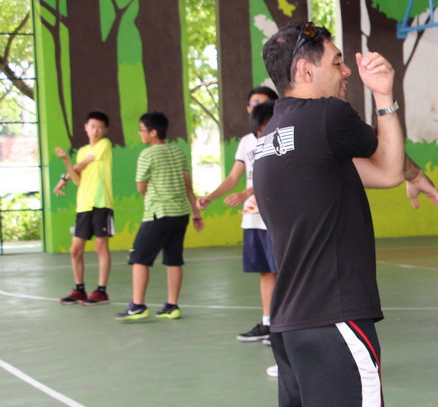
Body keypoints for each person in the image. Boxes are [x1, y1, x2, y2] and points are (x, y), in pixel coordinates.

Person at [253, 21, 438, 407]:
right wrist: (385, 95)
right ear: (305, 69)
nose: (345, 72)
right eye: (337, 61)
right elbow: (385, 162)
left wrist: (413, 173)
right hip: (337, 323)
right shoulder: (327, 118)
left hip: (291, 324)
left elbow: (382, 171)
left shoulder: (272, 136)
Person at [197, 86, 280, 343]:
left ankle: (284, 326)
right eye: (254, 103)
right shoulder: (247, 142)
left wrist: (247, 193)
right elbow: (234, 177)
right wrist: (211, 196)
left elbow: (279, 174)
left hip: (275, 215)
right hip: (253, 217)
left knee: (284, 271)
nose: (257, 108)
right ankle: (268, 323)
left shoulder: (282, 136)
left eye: (263, 103)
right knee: (266, 272)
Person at [115, 112, 204, 321]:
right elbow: (188, 186)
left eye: (142, 130)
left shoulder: (147, 154)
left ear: (153, 132)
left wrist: (153, 196)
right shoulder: (179, 152)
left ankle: (137, 306)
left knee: (139, 258)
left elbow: (141, 187)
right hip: (180, 214)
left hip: (158, 214)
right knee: (173, 260)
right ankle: (172, 306)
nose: (140, 133)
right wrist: (196, 213)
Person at [52, 111, 120, 306]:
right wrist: (66, 161)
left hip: (101, 203)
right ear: (86, 127)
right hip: (83, 205)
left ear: (106, 130)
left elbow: (83, 164)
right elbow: (77, 179)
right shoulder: (81, 150)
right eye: (92, 126)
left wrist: (63, 179)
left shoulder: (104, 144)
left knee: (100, 246)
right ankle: (79, 289)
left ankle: (101, 291)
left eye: (100, 127)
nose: (96, 130)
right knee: (75, 250)